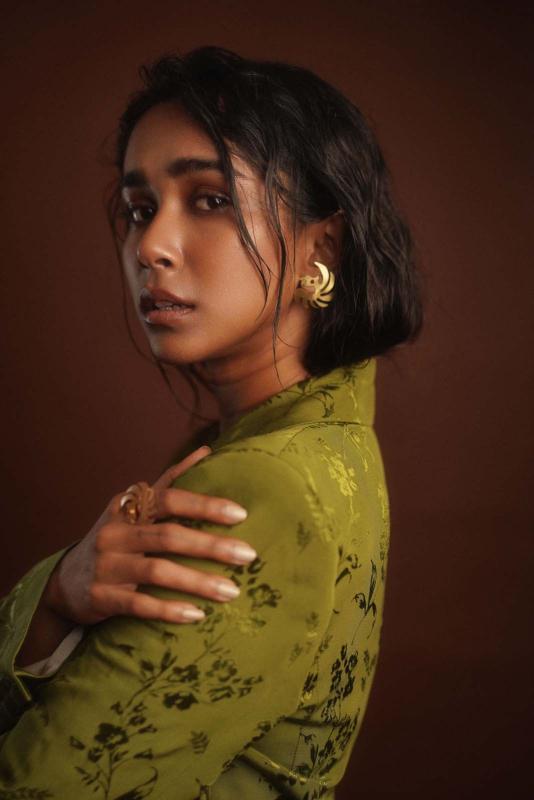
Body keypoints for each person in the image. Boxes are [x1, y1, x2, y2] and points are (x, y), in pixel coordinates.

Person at [0, 45, 423, 798]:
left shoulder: (261, 488)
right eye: (139, 210)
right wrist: (58, 592)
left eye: (210, 199)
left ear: (319, 247)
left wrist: (51, 595)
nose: (150, 247)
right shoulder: (318, 440)